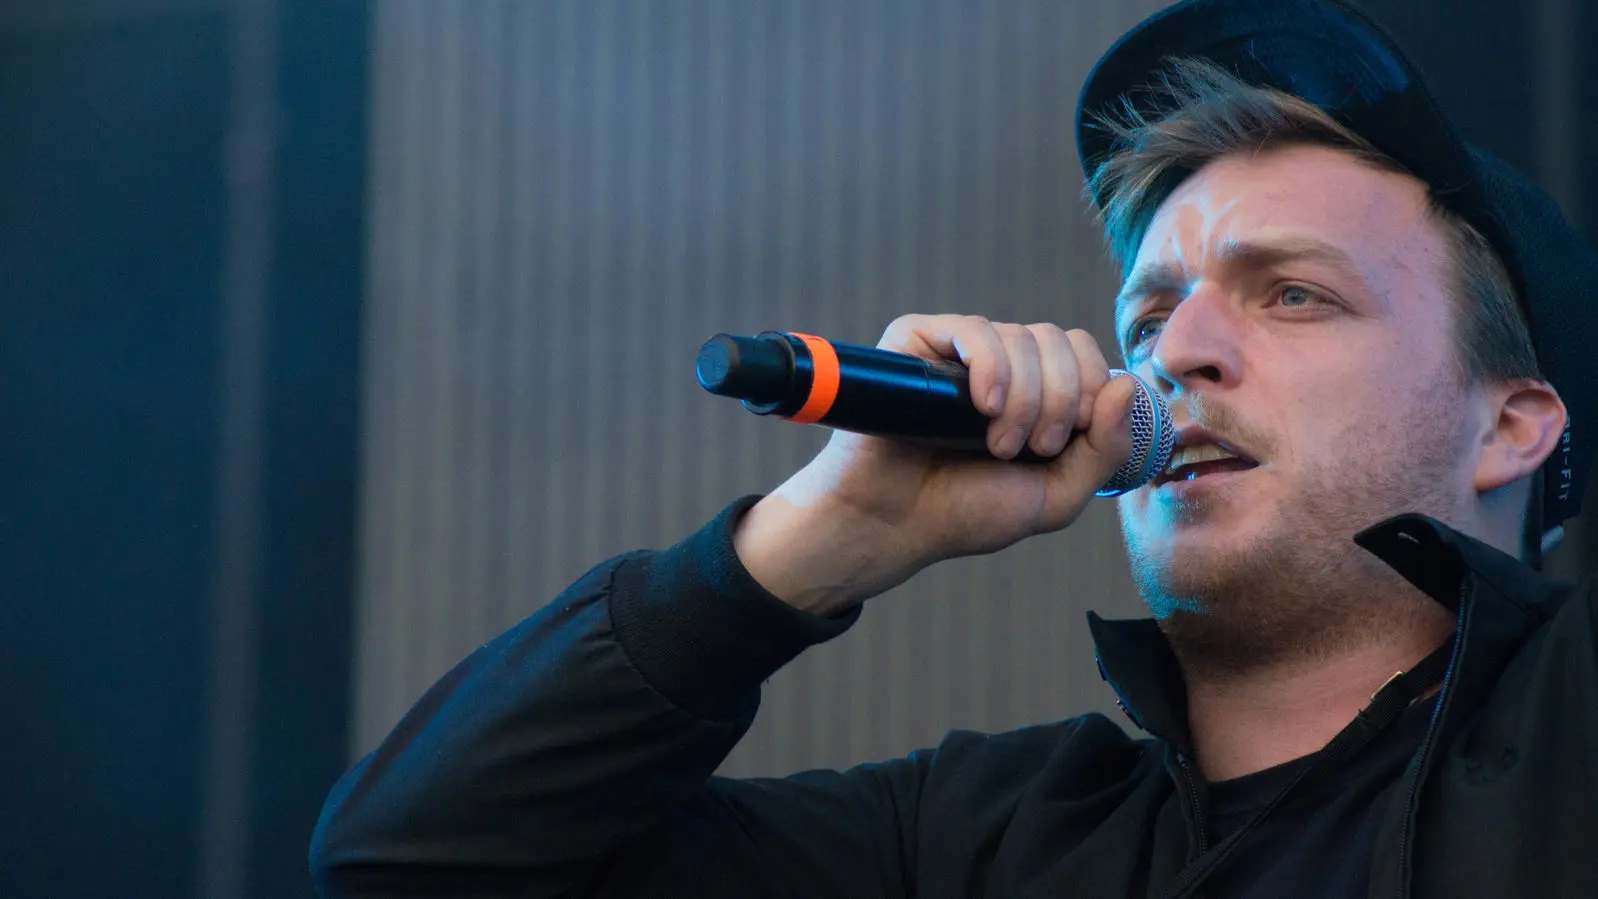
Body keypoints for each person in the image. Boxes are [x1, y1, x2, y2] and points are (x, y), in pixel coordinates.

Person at [309, 1, 1598, 896]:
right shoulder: (973, 844)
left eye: (1294, 295)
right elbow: (413, 864)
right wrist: (814, 543)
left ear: (1510, 425)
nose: (1181, 350)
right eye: (1149, 318)